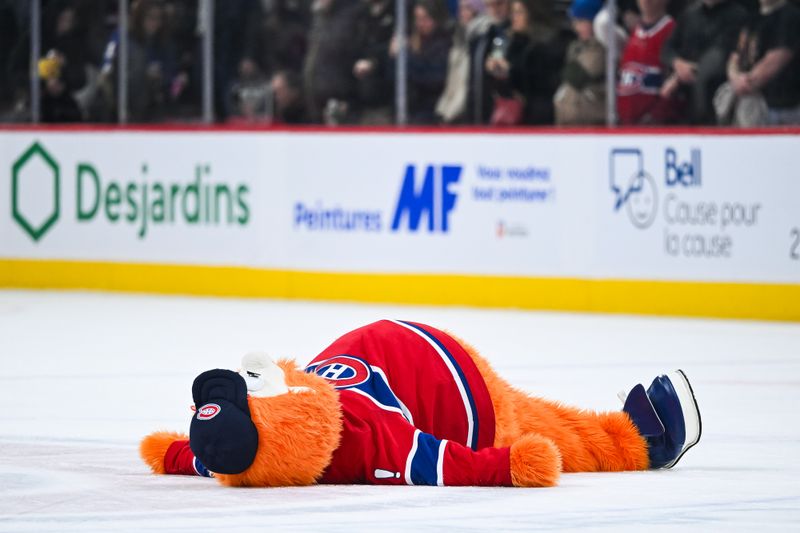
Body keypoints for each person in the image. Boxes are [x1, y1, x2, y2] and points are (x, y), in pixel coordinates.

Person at [141, 320, 702, 487]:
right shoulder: (359, 439)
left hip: (410, 355)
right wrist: (507, 466)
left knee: (544, 417)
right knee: (551, 428)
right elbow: (434, 460)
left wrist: (175, 454)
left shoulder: (267, 428)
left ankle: (631, 439)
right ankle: (641, 443)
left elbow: (210, 457)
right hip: (463, 395)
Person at [660, 0, 748, 124]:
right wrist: (677, 63)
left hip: (718, 99)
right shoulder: (689, 14)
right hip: (685, 102)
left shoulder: (738, 15)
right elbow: (667, 49)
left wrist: (678, 76)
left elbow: (720, 55)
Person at [484, 0, 567, 125]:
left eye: (519, 12)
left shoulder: (549, 43)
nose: (514, 18)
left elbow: (543, 82)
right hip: (517, 116)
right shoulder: (514, 41)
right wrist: (498, 72)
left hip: (540, 117)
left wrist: (510, 71)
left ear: (531, 14)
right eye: (513, 13)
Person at [723, 0, 800, 125]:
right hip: (749, 102)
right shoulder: (751, 18)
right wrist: (735, 77)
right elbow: (735, 55)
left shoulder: (791, 16)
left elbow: (777, 58)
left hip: (783, 107)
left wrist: (746, 82)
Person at [617, 0, 683, 124]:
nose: (646, 1)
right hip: (626, 125)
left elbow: (676, 81)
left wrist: (656, 114)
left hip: (656, 126)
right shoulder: (634, 31)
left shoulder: (672, 29)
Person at [303, 0, 364, 124]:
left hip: (339, 101)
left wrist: (350, 101)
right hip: (315, 101)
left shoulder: (351, 17)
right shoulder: (319, 19)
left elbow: (354, 58)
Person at [391, 0, 451, 124]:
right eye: (417, 18)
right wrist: (393, 56)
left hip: (430, 111)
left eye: (425, 18)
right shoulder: (414, 41)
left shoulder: (444, 43)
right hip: (410, 109)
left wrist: (404, 57)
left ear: (436, 18)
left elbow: (434, 78)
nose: (420, 24)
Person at [436, 0, 492, 124]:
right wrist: (443, 110)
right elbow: (452, 84)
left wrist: (449, 115)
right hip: (454, 112)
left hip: (468, 114)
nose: (462, 13)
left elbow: (466, 86)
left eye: (467, 8)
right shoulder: (458, 38)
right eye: (461, 8)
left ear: (478, 11)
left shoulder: (482, 39)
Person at [554, 0, 607, 125]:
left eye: (582, 22)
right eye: (575, 21)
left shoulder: (603, 48)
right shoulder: (576, 46)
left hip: (592, 122)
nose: (576, 27)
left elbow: (576, 76)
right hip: (569, 121)